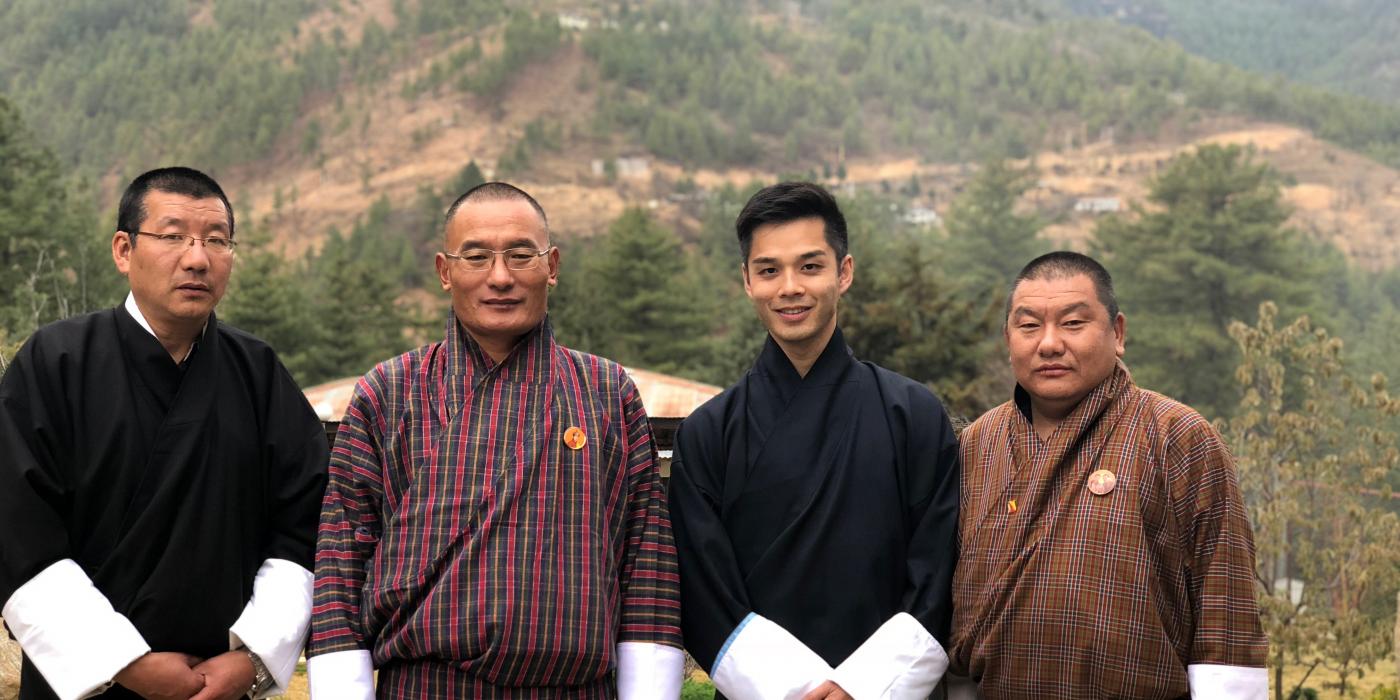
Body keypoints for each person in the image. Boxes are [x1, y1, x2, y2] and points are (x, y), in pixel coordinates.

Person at [307, 182, 683, 698]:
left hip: (576, 689)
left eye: (521, 256)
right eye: (477, 256)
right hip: (425, 686)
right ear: (445, 271)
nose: (500, 277)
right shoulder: (390, 392)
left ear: (552, 265)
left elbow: (647, 560)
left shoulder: (607, 392)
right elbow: (340, 561)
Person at [0, 167, 329, 700]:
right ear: (123, 250)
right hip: (87, 684)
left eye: (217, 241)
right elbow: (18, 532)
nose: (198, 258)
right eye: (173, 236)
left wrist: (250, 658)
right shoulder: (56, 362)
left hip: (220, 684)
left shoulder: (259, 373)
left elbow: (306, 527)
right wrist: (124, 661)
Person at [668, 182, 960, 699]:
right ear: (746, 280)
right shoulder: (708, 433)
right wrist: (793, 690)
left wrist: (861, 687)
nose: (789, 287)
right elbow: (702, 588)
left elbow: (938, 569)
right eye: (769, 270)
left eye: (809, 266)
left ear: (843, 272)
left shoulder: (913, 414)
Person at [949, 251, 1268, 699]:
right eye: (1029, 325)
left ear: (1117, 333)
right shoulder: (977, 445)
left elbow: (1225, 604)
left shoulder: (1176, 436)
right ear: (1008, 339)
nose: (1049, 343)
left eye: (1073, 324)